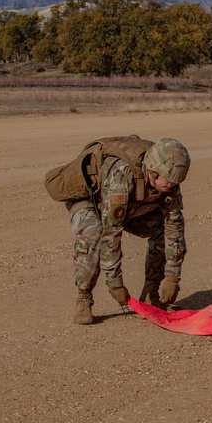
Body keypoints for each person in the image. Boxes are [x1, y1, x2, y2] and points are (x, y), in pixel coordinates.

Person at [45, 135, 190, 324]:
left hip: (129, 204)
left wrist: (173, 277)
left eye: (174, 182)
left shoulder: (169, 181)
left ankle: (151, 294)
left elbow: (175, 228)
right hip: (91, 200)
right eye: (168, 181)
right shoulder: (121, 176)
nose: (171, 185)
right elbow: (111, 234)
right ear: (153, 171)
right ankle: (84, 297)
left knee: (161, 227)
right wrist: (115, 284)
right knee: (93, 235)